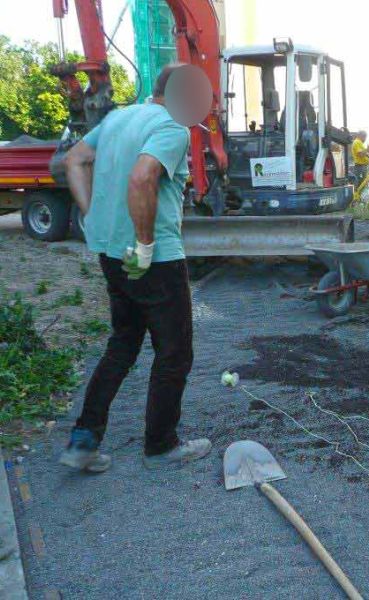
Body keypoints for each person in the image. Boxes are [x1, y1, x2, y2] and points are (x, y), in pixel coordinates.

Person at [58, 64, 211, 472]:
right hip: (154, 260)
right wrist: (144, 244)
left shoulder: (117, 118)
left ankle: (84, 440)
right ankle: (161, 446)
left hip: (111, 254)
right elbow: (143, 178)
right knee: (174, 353)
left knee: (123, 344)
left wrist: (92, 214)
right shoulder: (172, 128)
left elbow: (74, 160)